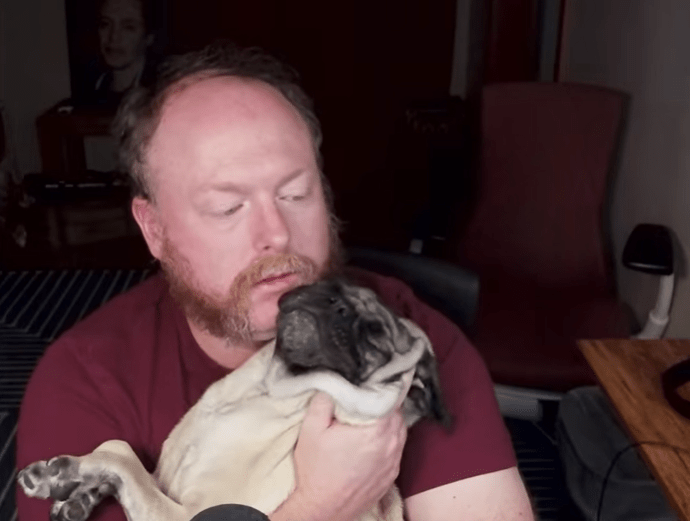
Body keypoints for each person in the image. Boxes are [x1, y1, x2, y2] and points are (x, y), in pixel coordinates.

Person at [16, 43, 535, 521]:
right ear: (154, 229)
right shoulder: (84, 380)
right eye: (229, 207)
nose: (277, 234)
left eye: (295, 194)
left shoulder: (403, 346)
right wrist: (322, 505)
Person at [78, 0, 158, 107]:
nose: (113, 37)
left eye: (128, 27)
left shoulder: (163, 94)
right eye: (105, 24)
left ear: (149, 37)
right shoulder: (86, 90)